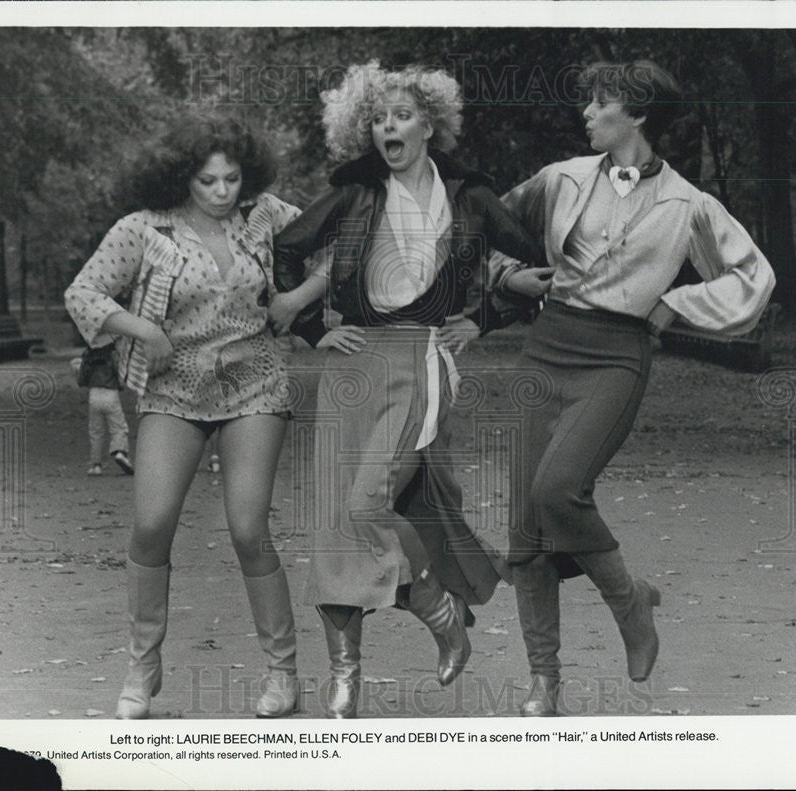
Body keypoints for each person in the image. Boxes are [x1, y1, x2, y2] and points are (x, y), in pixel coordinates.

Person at [492, 60, 776, 715]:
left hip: (616, 358)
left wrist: (676, 301)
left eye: (601, 103)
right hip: (545, 350)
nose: (587, 114)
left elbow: (752, 276)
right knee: (527, 528)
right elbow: (484, 226)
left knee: (557, 487)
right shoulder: (558, 178)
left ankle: (629, 601)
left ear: (638, 115)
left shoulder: (688, 204)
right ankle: (544, 681)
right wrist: (507, 277)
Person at [270, 62, 553, 718]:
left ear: (430, 124)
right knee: (336, 522)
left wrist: (481, 319)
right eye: (377, 118)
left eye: (400, 115)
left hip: (420, 354)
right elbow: (284, 250)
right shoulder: (354, 191)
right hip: (350, 363)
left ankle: (437, 610)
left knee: (367, 503)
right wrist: (313, 328)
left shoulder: (469, 194)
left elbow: (532, 263)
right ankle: (345, 674)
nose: (387, 127)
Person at [65, 109, 325, 719]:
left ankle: (282, 672)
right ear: (183, 177)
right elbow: (84, 292)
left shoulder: (268, 217)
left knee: (247, 528)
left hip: (254, 383)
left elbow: (340, 247)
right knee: (151, 524)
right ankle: (141, 667)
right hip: (172, 390)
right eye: (208, 181)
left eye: (231, 179)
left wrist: (296, 298)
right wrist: (140, 330)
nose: (221, 192)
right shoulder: (143, 229)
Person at [71, 342, 135, 476]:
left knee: (95, 431)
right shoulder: (112, 354)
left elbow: (82, 378)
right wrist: (121, 384)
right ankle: (120, 452)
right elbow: (120, 372)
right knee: (118, 427)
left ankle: (96, 465)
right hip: (110, 393)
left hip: (94, 394)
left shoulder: (88, 354)